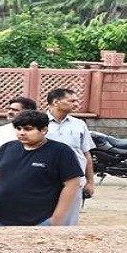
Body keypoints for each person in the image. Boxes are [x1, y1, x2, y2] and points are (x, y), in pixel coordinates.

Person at [0, 110, 83, 227]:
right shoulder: (7, 148)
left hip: (39, 222)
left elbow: (72, 184)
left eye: (28, 129)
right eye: (18, 128)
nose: (21, 133)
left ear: (44, 130)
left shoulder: (60, 151)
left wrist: (57, 219)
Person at [45, 88, 96, 226]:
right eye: (71, 101)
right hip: (45, 179)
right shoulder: (40, 123)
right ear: (56, 102)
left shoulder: (79, 124)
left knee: (70, 221)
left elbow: (86, 154)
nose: (76, 104)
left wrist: (90, 182)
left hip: (74, 180)